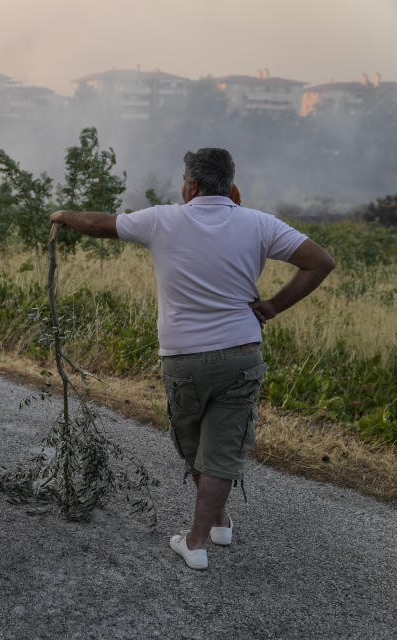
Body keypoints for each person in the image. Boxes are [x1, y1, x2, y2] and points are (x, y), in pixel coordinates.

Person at [49, 148, 335, 570]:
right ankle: (217, 520)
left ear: (192, 186)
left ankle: (196, 542)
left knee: (194, 445)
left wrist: (61, 215)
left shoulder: (162, 219)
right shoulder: (259, 223)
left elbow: (101, 224)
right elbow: (320, 261)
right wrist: (272, 307)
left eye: (184, 179)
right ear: (232, 187)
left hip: (183, 359)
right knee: (221, 445)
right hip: (240, 353)